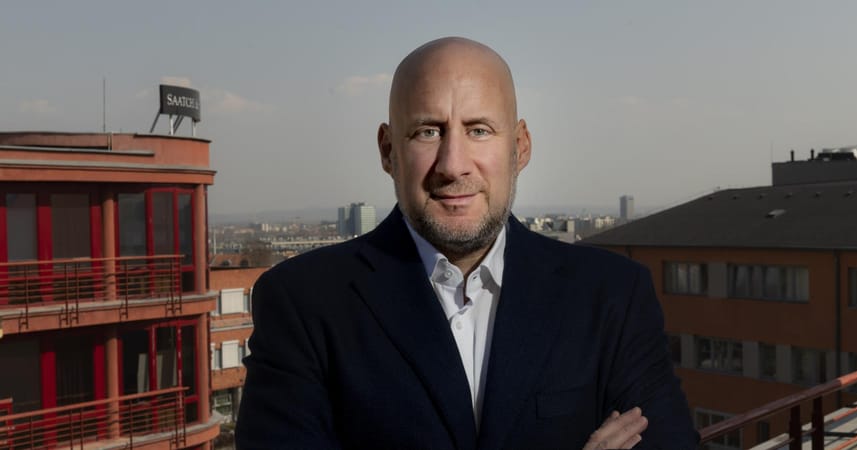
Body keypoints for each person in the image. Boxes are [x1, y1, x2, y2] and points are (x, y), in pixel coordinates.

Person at [236, 37, 699, 450]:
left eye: (479, 130)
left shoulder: (612, 295)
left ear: (520, 146)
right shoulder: (303, 303)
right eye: (428, 131)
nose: (453, 164)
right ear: (388, 150)